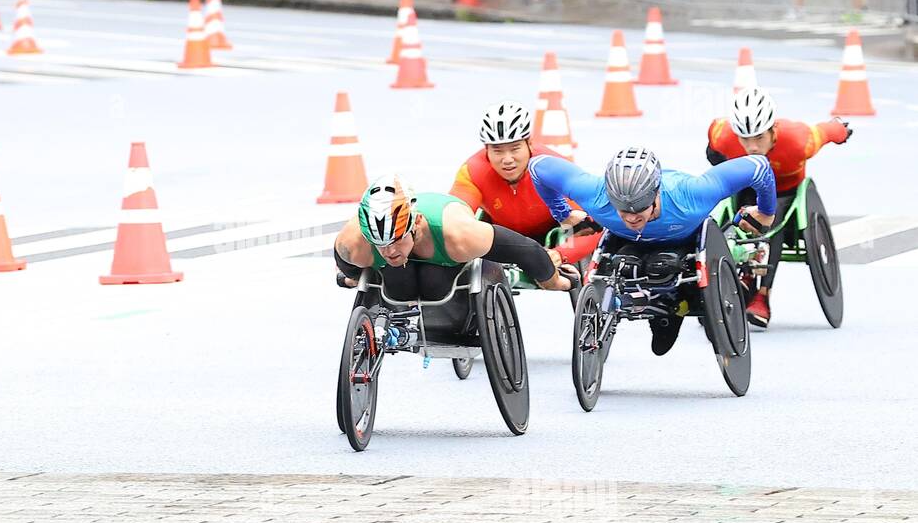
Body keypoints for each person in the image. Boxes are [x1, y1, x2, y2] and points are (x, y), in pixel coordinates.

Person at [529, 147, 776, 355]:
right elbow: (538, 167)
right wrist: (563, 214)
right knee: (632, 261)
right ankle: (663, 314)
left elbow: (759, 166)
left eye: (639, 208)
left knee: (674, 278)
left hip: (686, 246)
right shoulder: (595, 194)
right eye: (623, 210)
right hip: (630, 248)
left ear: (656, 194)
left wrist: (765, 212)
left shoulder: (693, 194)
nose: (632, 217)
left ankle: (679, 303)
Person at [705, 87, 852, 327]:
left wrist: (840, 129)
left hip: (785, 192)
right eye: (745, 139)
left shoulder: (799, 140)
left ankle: (762, 295)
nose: (752, 147)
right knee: (736, 205)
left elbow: (827, 131)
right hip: (747, 186)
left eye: (759, 138)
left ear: (773, 130)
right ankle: (738, 273)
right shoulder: (725, 135)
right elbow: (713, 134)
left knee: (773, 216)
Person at [332, 176, 574, 305]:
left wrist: (552, 280)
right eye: (380, 243)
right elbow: (346, 266)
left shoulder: (459, 235)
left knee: (433, 282)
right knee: (398, 285)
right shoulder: (353, 244)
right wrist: (353, 278)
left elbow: (526, 250)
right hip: (402, 269)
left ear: (415, 223)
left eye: (395, 240)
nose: (389, 250)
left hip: (444, 246)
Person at [448, 102, 602, 271]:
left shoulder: (554, 167)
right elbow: (451, 219)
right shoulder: (472, 172)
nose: (507, 159)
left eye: (515, 149)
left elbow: (595, 228)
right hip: (500, 239)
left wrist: (560, 254)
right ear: (487, 150)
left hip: (554, 235)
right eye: (498, 151)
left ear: (529, 144)